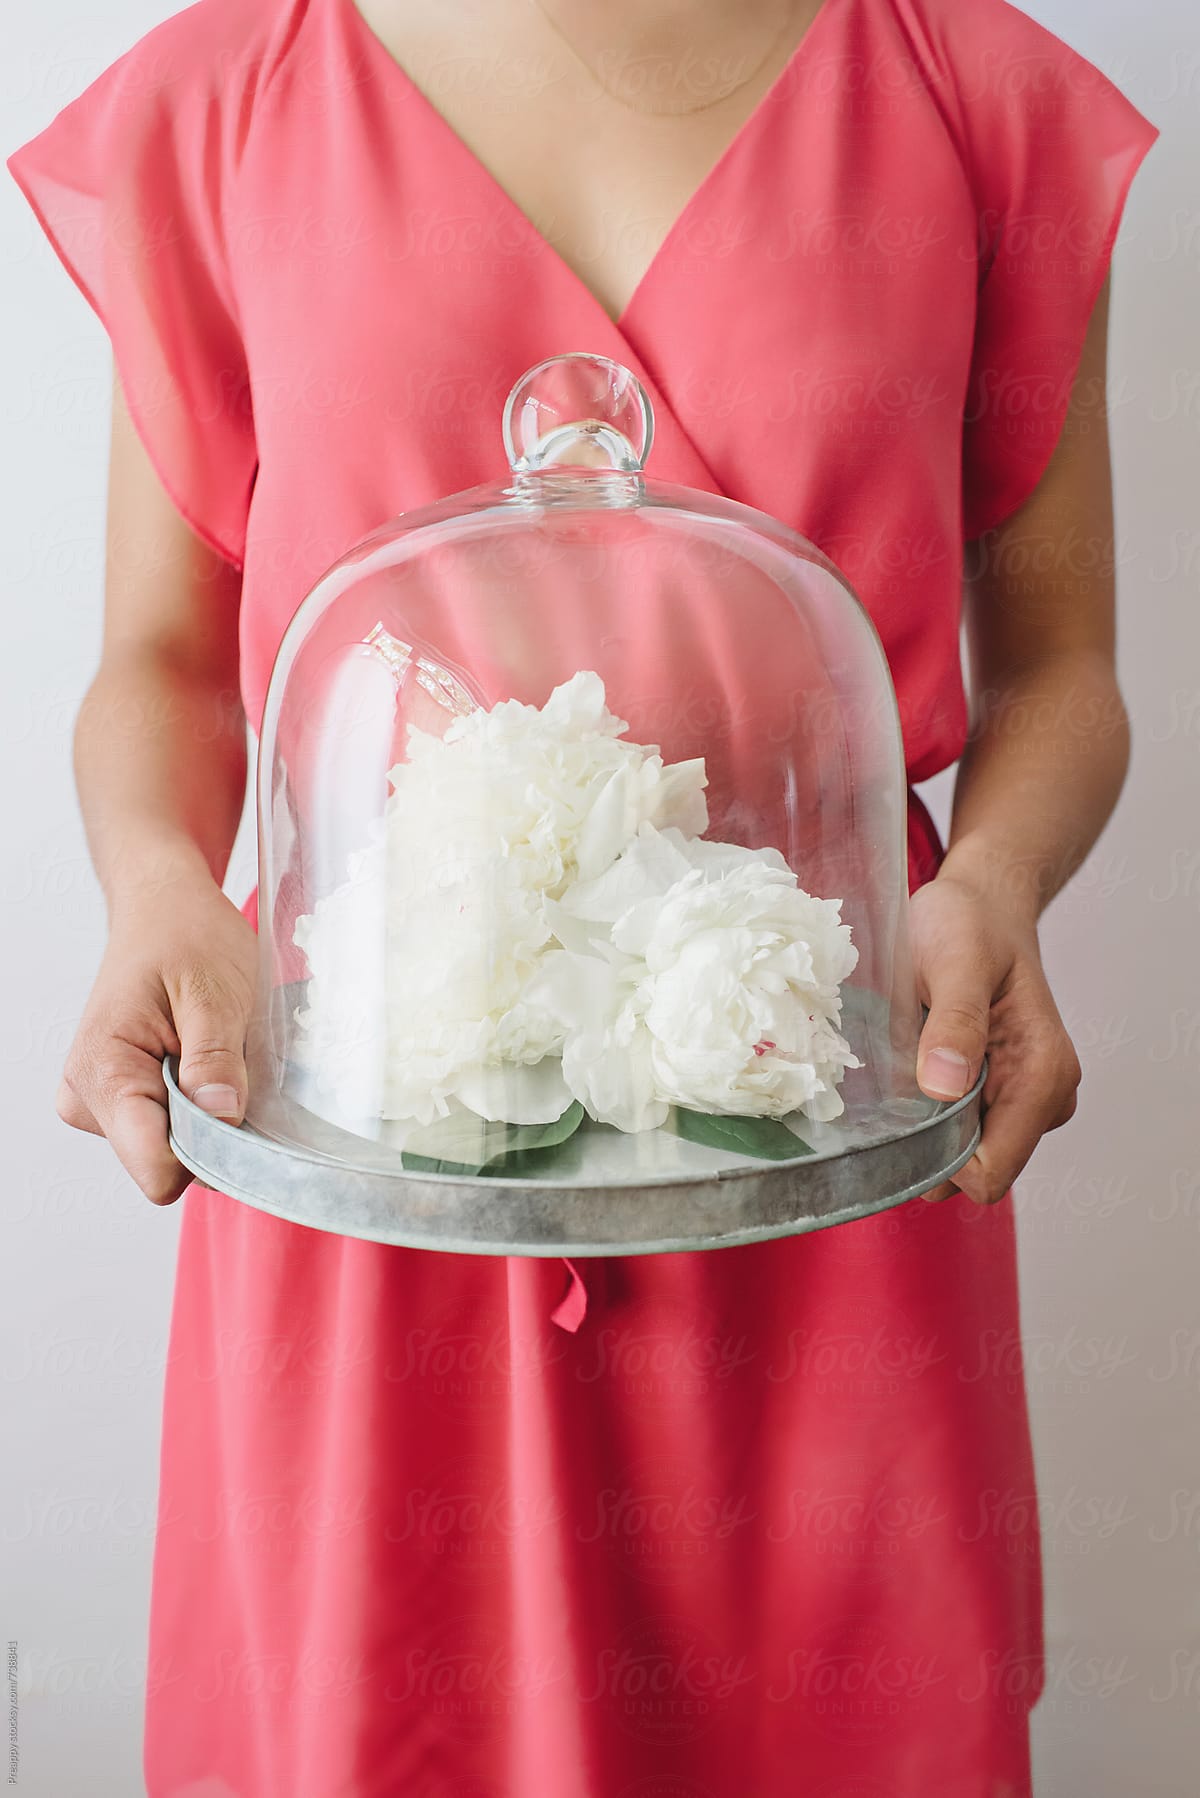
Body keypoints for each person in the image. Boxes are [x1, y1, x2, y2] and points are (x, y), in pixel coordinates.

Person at [8, 0, 1157, 1792]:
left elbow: (1060, 668)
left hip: (817, 1089)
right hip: (385, 1120)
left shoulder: (968, 92)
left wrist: (997, 885)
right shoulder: (231, 95)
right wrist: (158, 884)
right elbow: (163, 658)